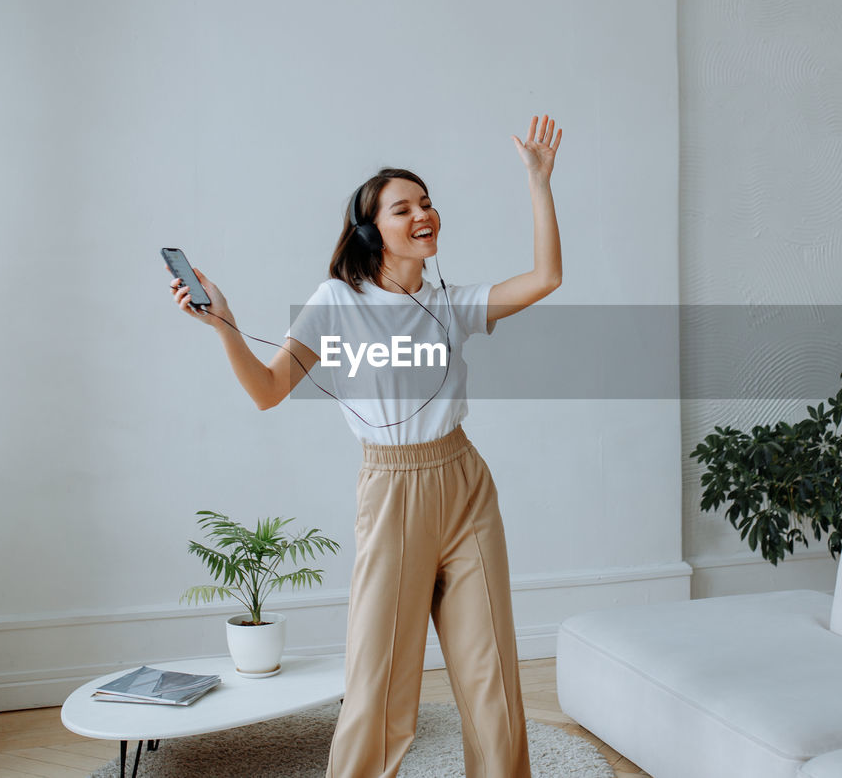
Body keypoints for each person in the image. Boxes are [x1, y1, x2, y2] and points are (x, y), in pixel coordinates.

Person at [167, 114, 562, 778]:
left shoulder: (451, 301)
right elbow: (268, 389)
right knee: (380, 690)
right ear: (369, 229)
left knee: (491, 679)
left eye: (427, 202)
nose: (423, 214)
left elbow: (546, 276)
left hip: (465, 483)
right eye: (403, 207)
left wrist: (538, 182)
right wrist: (226, 327)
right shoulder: (336, 302)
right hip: (393, 489)